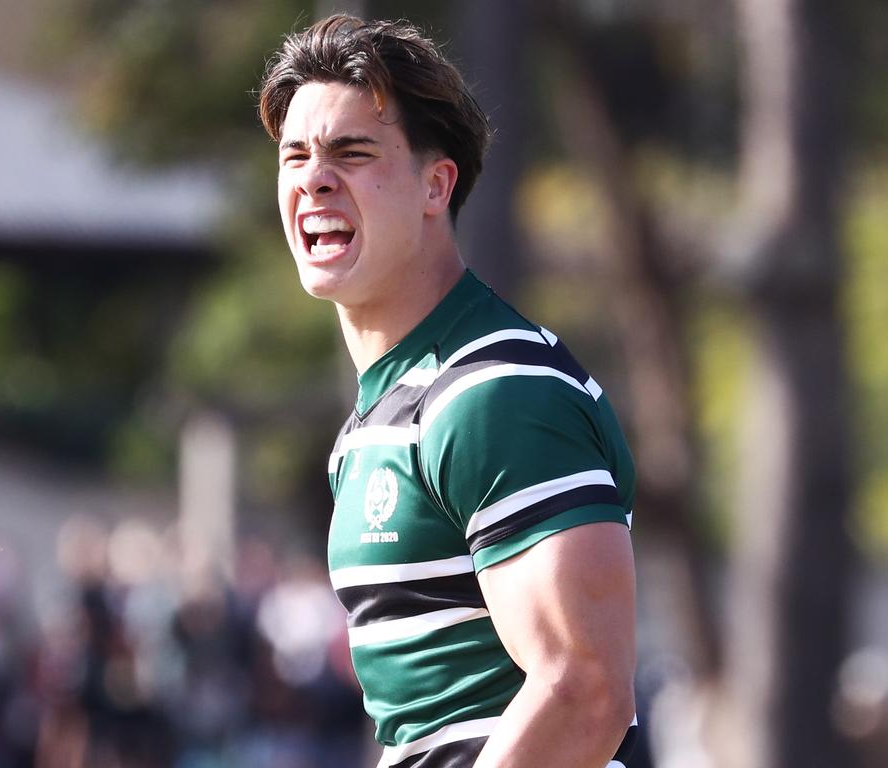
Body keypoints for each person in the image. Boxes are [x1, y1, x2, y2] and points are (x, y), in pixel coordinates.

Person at [258, 15, 638, 768]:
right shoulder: (377, 419)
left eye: (351, 152)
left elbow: (585, 689)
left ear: (437, 185)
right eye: (294, 155)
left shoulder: (494, 392)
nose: (314, 178)